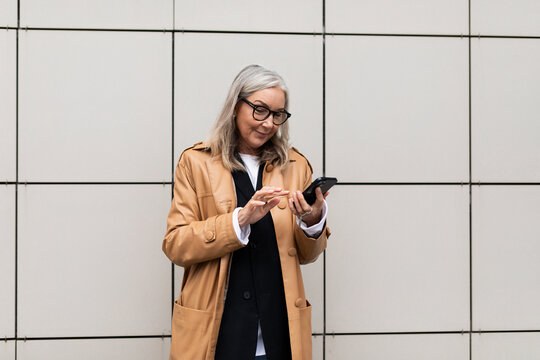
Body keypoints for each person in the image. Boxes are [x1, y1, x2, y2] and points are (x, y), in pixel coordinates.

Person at [163, 64, 331, 360]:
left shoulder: (296, 166)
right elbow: (176, 245)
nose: (268, 123)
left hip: (280, 336)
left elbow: (306, 254)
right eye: (259, 110)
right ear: (235, 106)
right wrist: (238, 221)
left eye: (277, 114)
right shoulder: (196, 162)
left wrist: (312, 221)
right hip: (217, 337)